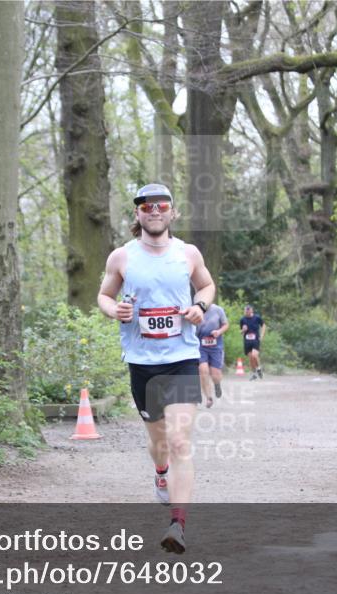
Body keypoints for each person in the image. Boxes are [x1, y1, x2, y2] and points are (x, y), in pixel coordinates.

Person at [97, 183, 215, 554]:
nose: (154, 210)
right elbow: (104, 294)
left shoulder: (188, 253)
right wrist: (113, 309)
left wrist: (200, 306)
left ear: (172, 212)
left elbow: (207, 285)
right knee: (159, 442)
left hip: (181, 358)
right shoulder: (122, 257)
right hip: (142, 362)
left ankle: (177, 525)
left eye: (161, 205)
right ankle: (160, 474)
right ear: (138, 214)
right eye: (146, 206)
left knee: (180, 441)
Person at [196, 301, 229, 408]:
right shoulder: (196, 310)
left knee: (215, 373)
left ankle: (217, 384)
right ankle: (209, 397)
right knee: (203, 370)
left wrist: (219, 332)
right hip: (201, 346)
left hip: (216, 346)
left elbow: (226, 324)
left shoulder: (218, 310)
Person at [239, 304, 265, 380]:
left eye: (248, 311)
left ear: (251, 311)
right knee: (251, 358)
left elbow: (263, 325)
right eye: (245, 311)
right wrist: (243, 330)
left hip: (255, 339)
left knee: (254, 355)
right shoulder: (242, 320)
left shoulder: (257, 318)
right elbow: (241, 332)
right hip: (247, 341)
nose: (246, 312)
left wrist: (262, 335)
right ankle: (254, 374)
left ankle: (259, 369)